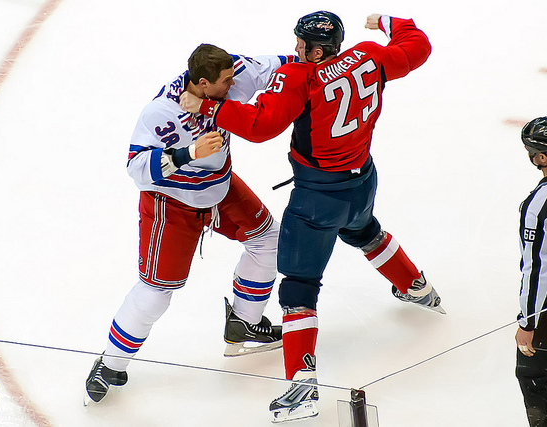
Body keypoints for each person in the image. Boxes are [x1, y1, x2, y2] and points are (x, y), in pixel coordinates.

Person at [180, 12, 444, 422]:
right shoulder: (370, 56)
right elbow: (417, 49)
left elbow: (262, 124)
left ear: (316, 49)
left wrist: (211, 105)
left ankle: (301, 386)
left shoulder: (301, 77)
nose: (296, 47)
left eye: (301, 42)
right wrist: (394, 21)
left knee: (299, 288)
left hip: (317, 198)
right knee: (365, 230)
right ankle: (416, 286)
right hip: (362, 183)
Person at [84, 44, 299, 405]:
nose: (235, 85)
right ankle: (111, 363)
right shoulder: (160, 112)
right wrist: (188, 154)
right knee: (156, 293)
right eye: (226, 82)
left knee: (270, 240)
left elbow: (280, 65)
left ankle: (243, 323)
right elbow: (135, 166)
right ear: (203, 83)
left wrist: (322, 62)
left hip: (220, 186)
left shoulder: (232, 75)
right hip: (172, 203)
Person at [516, 117, 547, 427]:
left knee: (533, 376)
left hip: (546, 319)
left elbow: (537, 268)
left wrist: (528, 322)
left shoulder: (540, 203)